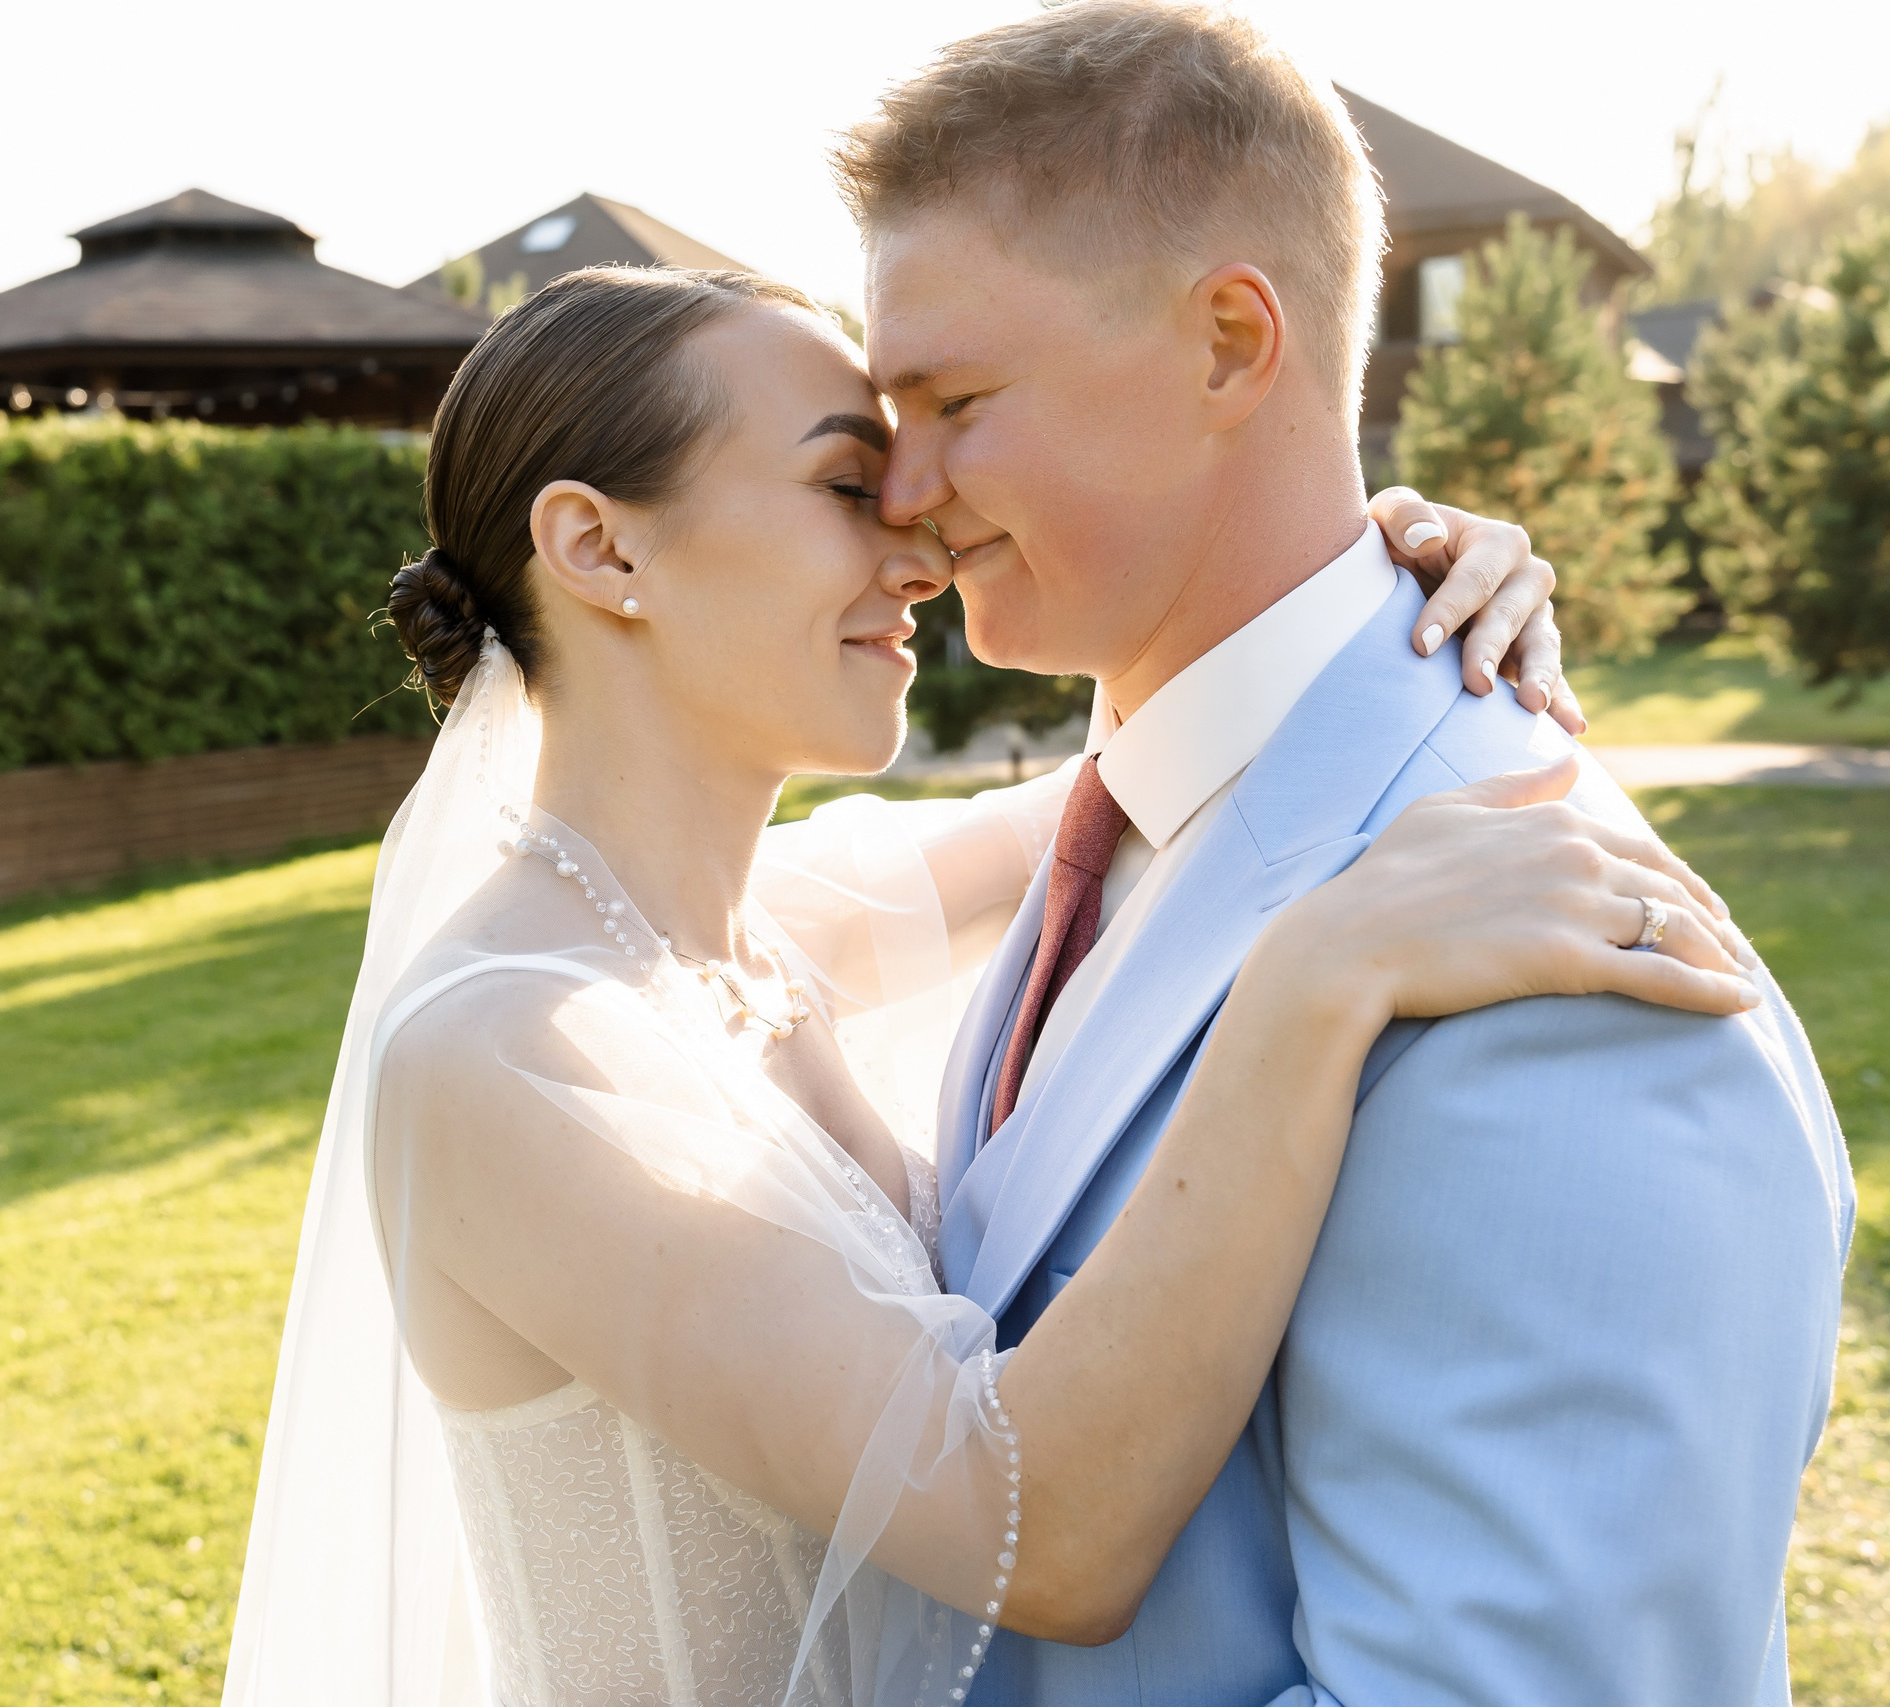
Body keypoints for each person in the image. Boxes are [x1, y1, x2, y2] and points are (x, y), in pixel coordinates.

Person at [218, 260, 1767, 1707]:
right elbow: (1043, 1532)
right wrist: (1318, 977)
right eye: (848, 485)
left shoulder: (766, 927)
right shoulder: (503, 1054)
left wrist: (1407, 585)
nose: (922, 543)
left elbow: (1208, 743)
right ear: (601, 545)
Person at [840, 5, 1852, 1702]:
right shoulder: (1127, 822)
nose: (897, 490)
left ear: (1235, 343)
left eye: (952, 400)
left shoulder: (1554, 984)